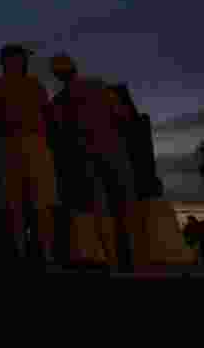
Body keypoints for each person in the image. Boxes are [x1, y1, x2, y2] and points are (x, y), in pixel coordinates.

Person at [47, 53, 140, 271]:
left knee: (102, 208)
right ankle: (134, 259)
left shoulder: (59, 101)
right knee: (126, 205)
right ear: (75, 68)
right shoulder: (97, 86)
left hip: (87, 155)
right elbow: (123, 114)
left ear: (56, 75)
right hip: (112, 148)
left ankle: (114, 262)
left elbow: (59, 134)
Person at [0, 44, 58, 268]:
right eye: (13, 59)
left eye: (19, 59)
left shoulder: (32, 85)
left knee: (40, 202)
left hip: (32, 143)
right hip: (12, 144)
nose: (17, 63)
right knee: (16, 204)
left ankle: (46, 254)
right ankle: (25, 254)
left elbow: (48, 115)